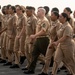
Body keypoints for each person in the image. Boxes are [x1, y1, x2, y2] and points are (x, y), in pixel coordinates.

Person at [23, 7, 49, 74]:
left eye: (38, 11)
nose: (37, 12)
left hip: (43, 39)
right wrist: (35, 37)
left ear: (43, 13)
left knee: (46, 55)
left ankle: (46, 69)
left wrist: (34, 36)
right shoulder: (39, 20)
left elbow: (43, 31)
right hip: (38, 39)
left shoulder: (45, 21)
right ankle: (31, 69)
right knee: (34, 54)